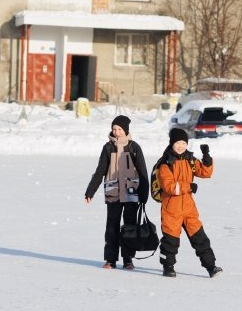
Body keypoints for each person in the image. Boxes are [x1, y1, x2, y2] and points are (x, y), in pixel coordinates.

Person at [84, 114, 150, 269]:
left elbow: (142, 172)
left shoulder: (134, 147)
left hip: (131, 193)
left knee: (129, 227)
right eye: (114, 129)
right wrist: (90, 191)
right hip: (113, 192)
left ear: (126, 130)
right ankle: (110, 259)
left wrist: (144, 193)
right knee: (111, 227)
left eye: (120, 129)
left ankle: (128, 259)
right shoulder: (108, 148)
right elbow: (100, 170)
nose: (117, 132)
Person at [155, 127, 222, 278]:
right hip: (171, 208)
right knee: (170, 241)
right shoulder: (165, 164)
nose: (181, 146)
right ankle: (168, 267)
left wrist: (207, 158)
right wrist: (188, 186)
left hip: (189, 208)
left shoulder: (190, 160)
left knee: (200, 238)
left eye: (183, 143)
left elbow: (205, 172)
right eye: (178, 143)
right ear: (172, 144)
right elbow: (169, 186)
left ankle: (211, 267)